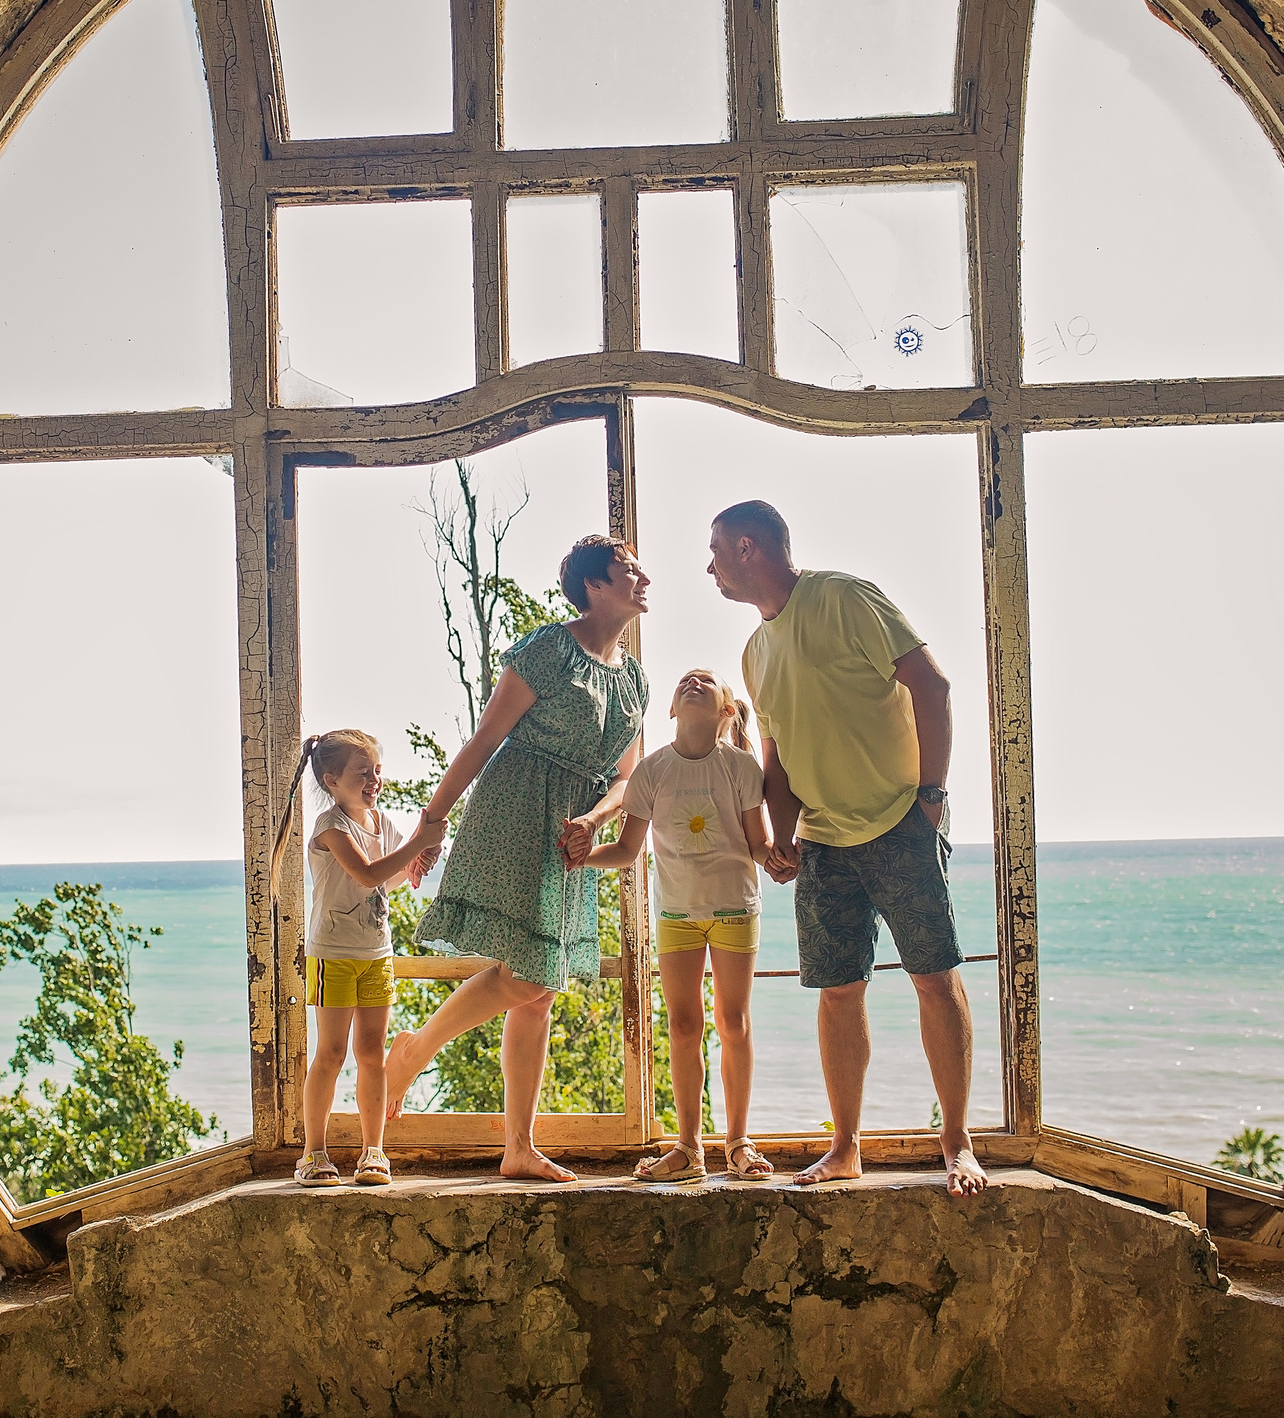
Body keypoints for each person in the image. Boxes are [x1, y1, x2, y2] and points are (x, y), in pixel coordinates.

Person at [708, 499, 990, 1199]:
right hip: (825, 841)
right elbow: (780, 756)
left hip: (901, 820)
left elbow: (932, 683)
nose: (708, 564)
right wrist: (777, 837)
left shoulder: (845, 596)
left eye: (715, 549)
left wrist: (931, 793)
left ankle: (957, 1143)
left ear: (749, 547)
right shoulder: (755, 650)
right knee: (837, 994)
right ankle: (845, 1148)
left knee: (934, 974)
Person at [381, 535, 651, 1182]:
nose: (643, 575)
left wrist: (594, 818)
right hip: (517, 807)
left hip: (571, 829)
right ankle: (414, 1051)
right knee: (532, 976)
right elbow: (485, 738)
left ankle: (518, 1146)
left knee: (538, 992)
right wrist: (432, 821)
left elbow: (629, 777)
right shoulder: (549, 648)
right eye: (627, 568)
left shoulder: (636, 677)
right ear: (593, 584)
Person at [575, 668, 779, 1182]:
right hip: (675, 917)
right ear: (670, 709)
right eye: (686, 679)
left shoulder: (740, 767)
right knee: (684, 1026)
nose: (693, 681)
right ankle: (689, 1149)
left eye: (706, 681)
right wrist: (579, 857)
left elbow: (758, 842)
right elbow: (626, 850)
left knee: (733, 1022)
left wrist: (780, 857)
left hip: (735, 907)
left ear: (726, 711)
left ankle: (738, 1142)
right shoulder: (650, 771)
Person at [274, 729, 437, 1187]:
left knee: (371, 1054)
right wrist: (416, 843)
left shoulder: (381, 823)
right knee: (331, 1052)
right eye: (362, 773)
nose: (373, 781)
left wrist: (420, 859)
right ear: (331, 780)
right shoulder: (330, 827)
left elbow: (394, 875)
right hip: (334, 956)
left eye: (377, 772)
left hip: (376, 954)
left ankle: (373, 1152)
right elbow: (366, 875)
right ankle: (313, 1153)